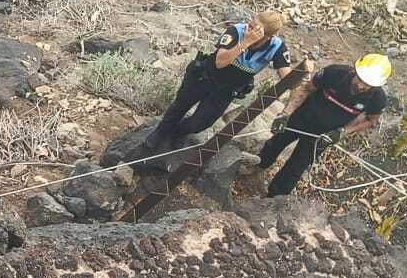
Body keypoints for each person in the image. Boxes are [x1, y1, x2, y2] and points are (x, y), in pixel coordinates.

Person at [147, 11, 293, 148]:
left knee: (201, 123)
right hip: (205, 77)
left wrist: (303, 73)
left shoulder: (276, 47)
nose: (248, 27)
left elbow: (289, 78)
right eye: (250, 23)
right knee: (179, 106)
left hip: (226, 91)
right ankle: (160, 132)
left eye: (254, 28)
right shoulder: (236, 31)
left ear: (267, 36)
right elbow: (220, 62)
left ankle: (180, 131)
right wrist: (245, 43)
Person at [259, 53, 393, 197]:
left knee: (296, 166)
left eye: (367, 84)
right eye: (359, 79)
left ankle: (273, 197)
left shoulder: (377, 99)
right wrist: (286, 113)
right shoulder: (334, 73)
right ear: (355, 70)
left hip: (324, 136)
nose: (360, 85)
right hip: (302, 117)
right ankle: (259, 165)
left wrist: (342, 132)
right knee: (276, 142)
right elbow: (305, 89)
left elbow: (371, 120)